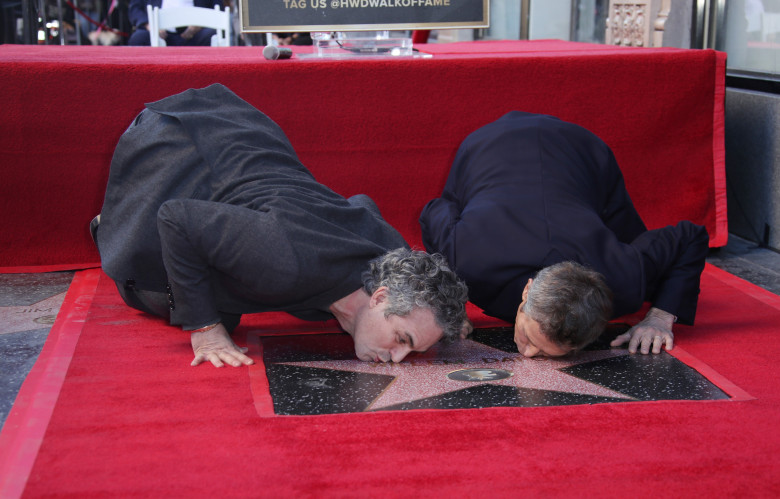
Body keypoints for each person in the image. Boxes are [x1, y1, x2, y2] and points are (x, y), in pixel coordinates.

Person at [92, 83, 470, 368]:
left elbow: (360, 204)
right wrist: (205, 330)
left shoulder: (389, 253)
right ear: (381, 296)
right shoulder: (284, 260)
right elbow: (175, 218)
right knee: (179, 301)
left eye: (414, 348)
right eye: (403, 338)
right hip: (182, 144)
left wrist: (439, 318)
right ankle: (111, 225)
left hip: (256, 158)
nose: (399, 357)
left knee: (223, 294)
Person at [420, 111, 709, 358]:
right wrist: (451, 305)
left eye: (545, 352)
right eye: (530, 337)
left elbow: (691, 237)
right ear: (527, 291)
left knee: (629, 236)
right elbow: (435, 209)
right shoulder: (467, 254)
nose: (527, 354)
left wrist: (659, 317)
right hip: (492, 146)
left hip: (579, 158)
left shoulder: (624, 279)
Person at [127, 0, 223, 46]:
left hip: (195, 33)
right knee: (138, 38)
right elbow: (135, 9)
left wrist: (200, 24)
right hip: (159, 33)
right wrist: (150, 25)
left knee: (211, 35)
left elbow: (218, 8)